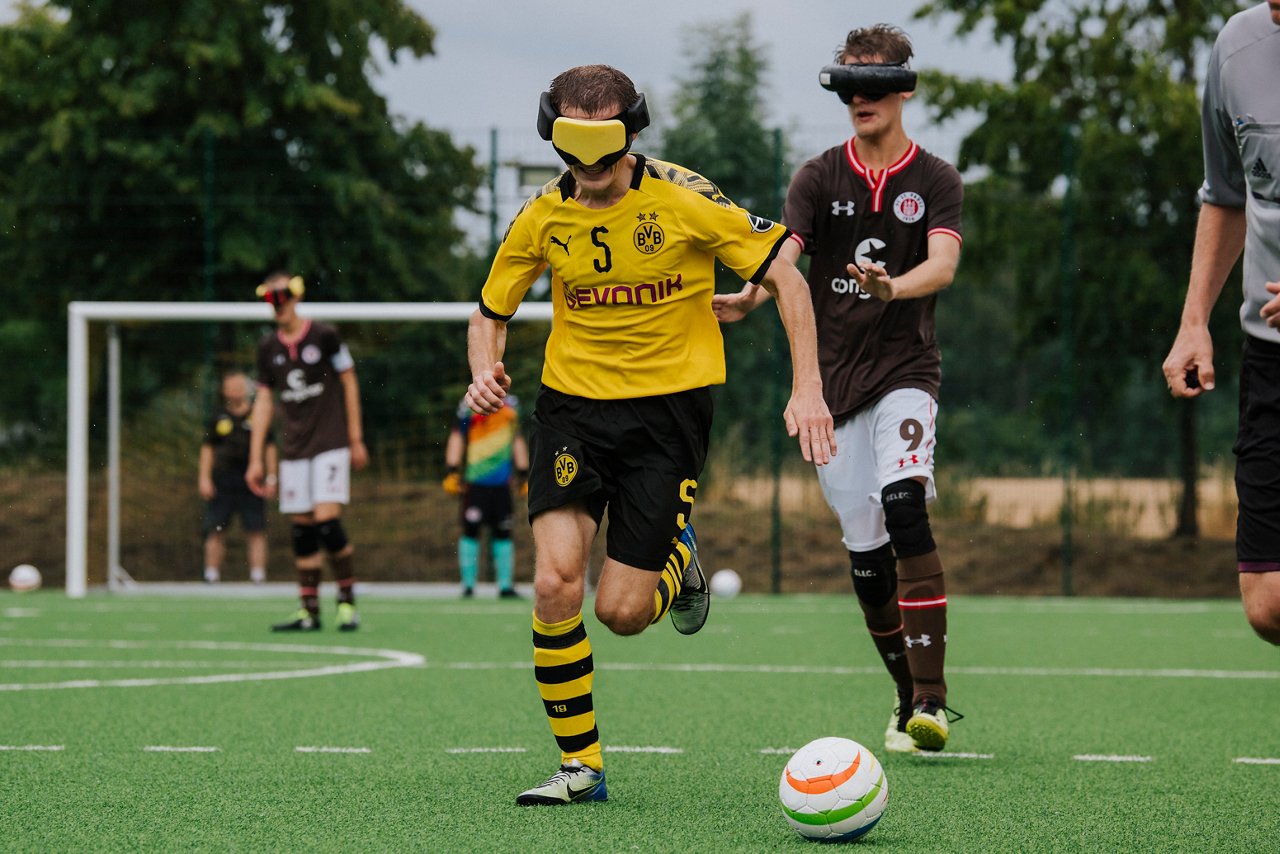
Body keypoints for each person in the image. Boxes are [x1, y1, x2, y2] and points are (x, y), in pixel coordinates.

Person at [466, 64, 835, 806]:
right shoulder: (542, 214)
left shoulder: (685, 198)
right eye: (575, 149)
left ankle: (677, 559)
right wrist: (484, 370)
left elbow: (787, 272)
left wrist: (808, 386)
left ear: (631, 133)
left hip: (667, 416)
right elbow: (489, 309)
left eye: (605, 148)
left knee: (623, 613)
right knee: (553, 584)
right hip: (571, 411)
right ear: (555, 137)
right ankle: (582, 768)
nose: (591, 170)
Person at [715, 25, 964, 754]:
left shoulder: (937, 179)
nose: (861, 96)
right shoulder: (818, 177)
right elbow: (784, 255)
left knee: (904, 506)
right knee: (866, 557)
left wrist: (895, 288)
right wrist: (749, 298)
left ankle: (934, 702)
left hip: (906, 375)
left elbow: (943, 267)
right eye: (849, 82)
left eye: (875, 81)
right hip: (833, 389)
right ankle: (902, 694)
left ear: (904, 89)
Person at [1162, 2, 1280, 646]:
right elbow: (1227, 194)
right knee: (1268, 602)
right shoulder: (1237, 45)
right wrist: (1194, 321)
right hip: (1269, 352)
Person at [245, 272, 369, 632]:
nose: (277, 305)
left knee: (328, 523)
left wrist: (356, 438)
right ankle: (309, 611)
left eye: (282, 297)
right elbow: (265, 401)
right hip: (295, 448)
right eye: (270, 299)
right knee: (302, 531)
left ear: (296, 297)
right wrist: (255, 458)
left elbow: (349, 382)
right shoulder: (267, 348)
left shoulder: (325, 336)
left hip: (329, 442)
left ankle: (346, 605)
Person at [442, 394, 530, 598]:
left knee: (503, 532)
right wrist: (452, 470)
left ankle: (505, 586)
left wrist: (524, 473)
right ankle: (468, 585)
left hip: (502, 484)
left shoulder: (511, 406)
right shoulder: (469, 403)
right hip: (476, 484)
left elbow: (516, 439)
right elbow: (457, 436)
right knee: (470, 530)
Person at [199, 370, 275, 584]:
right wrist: (205, 478)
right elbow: (207, 449)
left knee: (256, 529)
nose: (234, 391)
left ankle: (258, 576)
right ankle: (211, 575)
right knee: (216, 529)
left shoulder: (257, 414)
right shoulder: (217, 417)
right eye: (230, 387)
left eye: (238, 386)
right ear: (224, 391)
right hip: (223, 480)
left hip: (252, 480)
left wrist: (271, 477)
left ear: (246, 389)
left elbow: (269, 447)